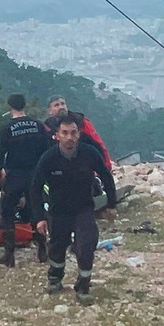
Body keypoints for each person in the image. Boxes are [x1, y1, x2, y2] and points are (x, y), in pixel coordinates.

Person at [30, 114, 117, 303]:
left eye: (73, 133)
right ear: (57, 135)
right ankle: (55, 278)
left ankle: (83, 286)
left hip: (84, 209)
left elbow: (106, 176)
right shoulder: (49, 158)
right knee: (57, 247)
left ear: (79, 134)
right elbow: (35, 188)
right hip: (58, 211)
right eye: (65, 133)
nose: (69, 137)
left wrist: (111, 204)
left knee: (86, 245)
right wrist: (39, 218)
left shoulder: (90, 153)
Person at [0, 93, 51, 267]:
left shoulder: (7, 129)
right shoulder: (38, 125)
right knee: (36, 211)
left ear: (10, 107)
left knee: (8, 213)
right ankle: (42, 250)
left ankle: (9, 256)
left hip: (15, 175)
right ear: (25, 105)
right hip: (35, 174)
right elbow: (46, 152)